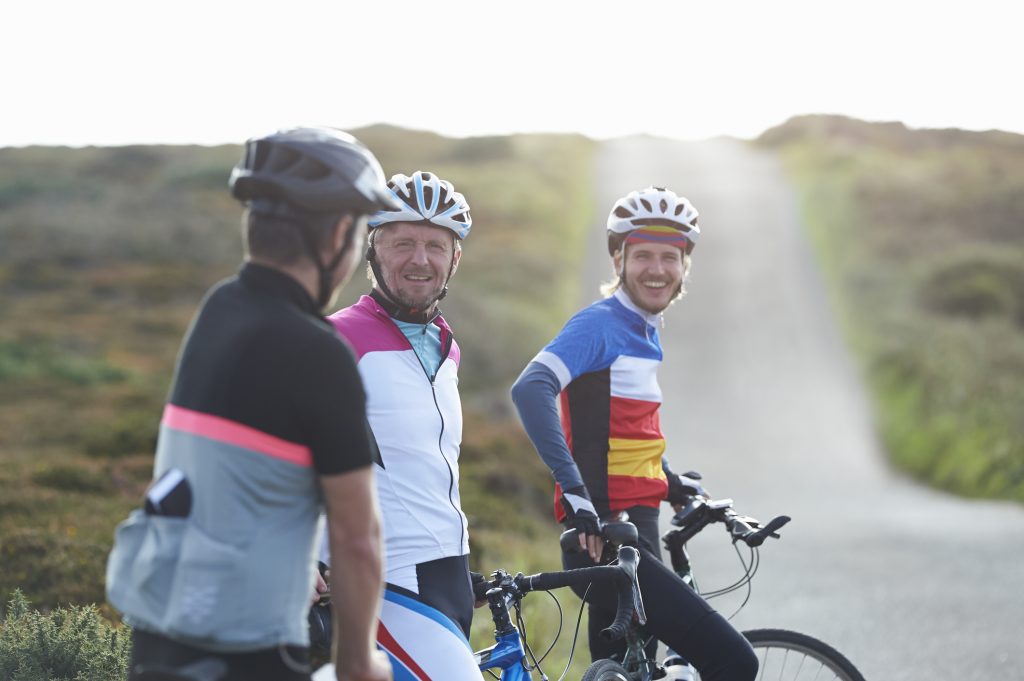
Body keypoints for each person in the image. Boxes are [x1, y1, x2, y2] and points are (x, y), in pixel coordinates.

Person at [105, 127, 396, 681]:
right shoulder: (318, 352)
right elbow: (360, 538)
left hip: (158, 643)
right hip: (245, 655)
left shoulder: (218, 311)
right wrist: (359, 662)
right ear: (337, 233)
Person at [511, 187, 759, 680]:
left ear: (685, 265)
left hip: (633, 528)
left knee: (624, 673)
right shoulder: (601, 325)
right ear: (618, 259)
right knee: (733, 660)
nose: (657, 269)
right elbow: (530, 388)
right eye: (642, 255)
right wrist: (578, 495)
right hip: (605, 535)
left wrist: (671, 481)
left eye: (670, 257)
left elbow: (621, 435)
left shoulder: (643, 331)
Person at [326, 170, 482, 679]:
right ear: (373, 251)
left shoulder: (446, 346)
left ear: (454, 259)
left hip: (449, 575)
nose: (420, 259)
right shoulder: (336, 340)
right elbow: (274, 456)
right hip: (384, 579)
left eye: (436, 246)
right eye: (403, 243)